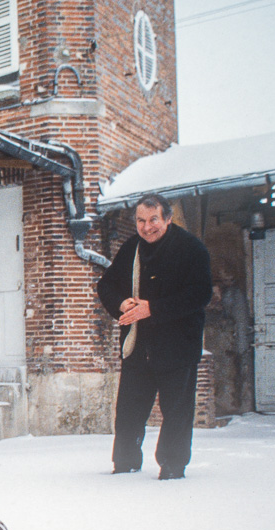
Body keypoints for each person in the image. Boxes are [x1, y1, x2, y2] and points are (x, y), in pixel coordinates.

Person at [96, 193, 212, 480]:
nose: (147, 227)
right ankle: (125, 464)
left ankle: (172, 468)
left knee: (176, 413)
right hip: (138, 347)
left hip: (178, 348)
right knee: (128, 414)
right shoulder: (131, 248)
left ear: (168, 219)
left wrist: (153, 309)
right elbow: (106, 285)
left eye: (153, 220)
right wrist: (121, 303)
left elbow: (200, 293)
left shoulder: (191, 249)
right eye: (141, 221)